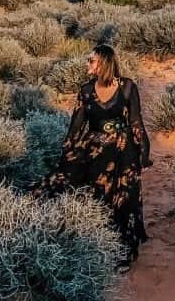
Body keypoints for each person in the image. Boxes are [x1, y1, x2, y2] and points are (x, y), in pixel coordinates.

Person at [34, 44, 152, 271]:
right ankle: (97, 240)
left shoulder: (127, 87)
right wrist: (67, 153)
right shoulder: (86, 90)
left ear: (105, 63)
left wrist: (143, 153)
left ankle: (124, 252)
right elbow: (75, 126)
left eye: (92, 60)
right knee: (97, 194)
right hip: (96, 150)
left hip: (122, 151)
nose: (88, 63)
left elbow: (136, 123)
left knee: (123, 198)